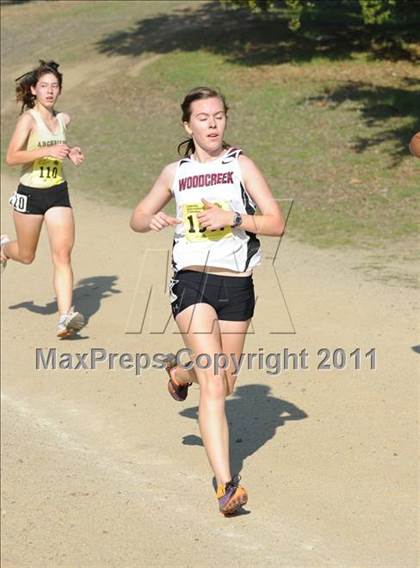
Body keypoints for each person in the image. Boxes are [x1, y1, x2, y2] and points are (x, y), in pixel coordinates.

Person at [130, 87, 285, 516]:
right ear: (188, 125)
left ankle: (180, 373)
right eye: (203, 117)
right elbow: (137, 217)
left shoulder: (241, 165)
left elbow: (276, 222)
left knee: (224, 381)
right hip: (192, 282)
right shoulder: (175, 172)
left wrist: (234, 218)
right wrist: (152, 219)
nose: (212, 124)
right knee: (215, 383)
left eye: (218, 116)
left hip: (237, 285)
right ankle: (225, 485)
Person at [1, 60, 86, 338]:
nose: (50, 91)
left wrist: (71, 153)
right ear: (34, 90)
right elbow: (12, 157)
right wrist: (45, 153)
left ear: (60, 90)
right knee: (26, 255)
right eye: (44, 86)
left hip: (57, 192)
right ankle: (3, 249)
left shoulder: (63, 119)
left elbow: (59, 148)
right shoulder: (28, 119)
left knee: (62, 254)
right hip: (30, 194)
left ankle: (65, 317)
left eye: (55, 86)